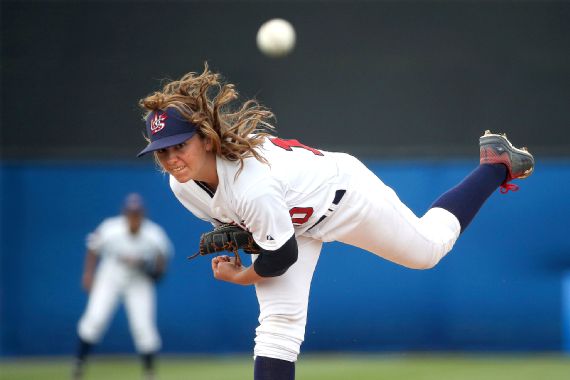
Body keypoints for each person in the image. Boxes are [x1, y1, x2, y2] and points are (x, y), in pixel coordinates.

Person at [136, 65, 534, 380]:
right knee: (278, 325)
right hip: (293, 218)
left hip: (344, 196)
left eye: (179, 146)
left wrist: (241, 276)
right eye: (162, 151)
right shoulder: (182, 186)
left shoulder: (251, 185)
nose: (172, 159)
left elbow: (281, 256)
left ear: (205, 138)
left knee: (427, 251)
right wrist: (248, 235)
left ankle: (495, 166)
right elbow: (259, 231)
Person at [72, 193, 173, 380]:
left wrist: (154, 271)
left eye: (137, 213)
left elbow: (163, 256)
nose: (133, 216)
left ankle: (149, 373)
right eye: (130, 213)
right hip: (110, 276)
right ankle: (79, 364)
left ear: (143, 214)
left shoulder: (153, 233)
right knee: (95, 318)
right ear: (124, 213)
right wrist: (88, 274)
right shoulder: (111, 228)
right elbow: (93, 248)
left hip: (138, 281)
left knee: (144, 327)